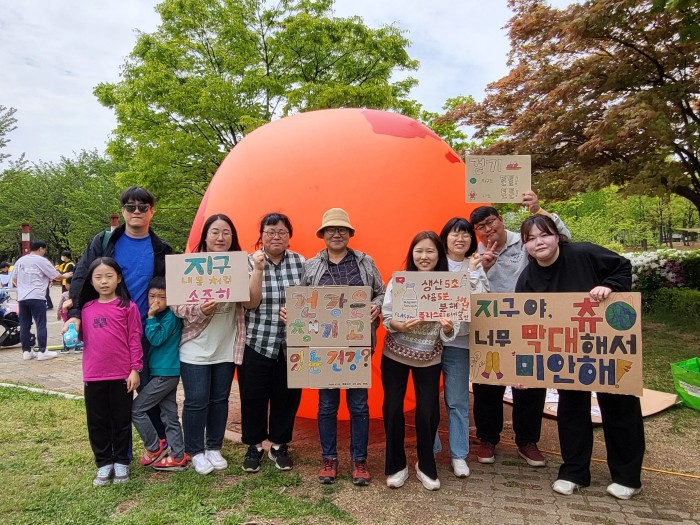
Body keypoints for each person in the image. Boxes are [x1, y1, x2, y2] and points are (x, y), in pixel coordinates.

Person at [516, 215, 645, 500]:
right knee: (571, 408)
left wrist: (610, 286)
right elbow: (524, 325)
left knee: (619, 405)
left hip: (607, 346)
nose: (539, 243)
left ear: (557, 236)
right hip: (567, 353)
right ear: (525, 246)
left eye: (544, 235)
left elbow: (622, 266)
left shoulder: (584, 253)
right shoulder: (527, 278)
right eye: (531, 239)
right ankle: (574, 471)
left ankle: (627, 477)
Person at [469, 191, 571, 467]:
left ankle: (527, 441)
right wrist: (483, 269)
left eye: (491, 222)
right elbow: (464, 289)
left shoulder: (524, 241)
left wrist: (539, 210)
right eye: (481, 227)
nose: (488, 230)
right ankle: (488, 438)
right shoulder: (474, 254)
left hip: (529, 322)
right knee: (487, 381)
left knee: (531, 382)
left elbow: (564, 241)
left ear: (501, 221)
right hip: (490, 324)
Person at [67, 186, 172, 446]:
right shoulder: (104, 242)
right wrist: (75, 312)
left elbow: (175, 287)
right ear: (123, 211)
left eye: (143, 207)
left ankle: (160, 441)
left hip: (148, 328)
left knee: (148, 388)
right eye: (130, 207)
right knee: (115, 393)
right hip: (111, 332)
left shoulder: (162, 249)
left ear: (152, 211)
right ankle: (117, 451)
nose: (136, 212)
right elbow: (82, 276)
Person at [172, 214, 264, 475]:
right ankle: (195, 450)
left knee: (220, 399)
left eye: (226, 232)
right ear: (205, 236)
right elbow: (177, 306)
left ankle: (213, 447)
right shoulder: (190, 264)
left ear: (232, 237)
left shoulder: (239, 266)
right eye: (215, 232)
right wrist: (200, 309)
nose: (221, 237)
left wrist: (257, 270)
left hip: (227, 346)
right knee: (196, 400)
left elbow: (251, 303)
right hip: (195, 346)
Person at [300, 208, 385, 486]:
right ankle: (329, 458)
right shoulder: (311, 266)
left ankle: (359, 460)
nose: (336, 234)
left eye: (342, 230)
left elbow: (382, 292)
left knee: (359, 405)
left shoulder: (364, 261)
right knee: (327, 405)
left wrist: (375, 306)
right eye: (331, 230)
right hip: (323, 345)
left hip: (357, 343)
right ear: (323, 235)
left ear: (349, 234)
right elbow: (301, 300)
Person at [382, 231, 456, 491]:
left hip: (429, 356)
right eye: (419, 251)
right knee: (392, 408)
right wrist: (397, 325)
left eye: (430, 251)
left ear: (439, 255)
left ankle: (426, 464)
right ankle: (395, 465)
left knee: (428, 411)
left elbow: (453, 328)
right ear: (412, 254)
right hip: (395, 354)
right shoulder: (399, 281)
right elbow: (387, 315)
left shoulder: (448, 285)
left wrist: (447, 327)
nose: (424, 257)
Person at [239, 213, 305, 473]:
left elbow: (312, 299)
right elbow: (249, 303)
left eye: (281, 232)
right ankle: (254, 446)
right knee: (253, 395)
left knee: (287, 396)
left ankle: (279, 444)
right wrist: (258, 269)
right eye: (270, 231)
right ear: (261, 235)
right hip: (257, 340)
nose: (276, 236)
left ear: (289, 236)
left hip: (292, 342)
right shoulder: (248, 262)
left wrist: (298, 314)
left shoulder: (301, 262)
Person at [433, 218, 489, 478]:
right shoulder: (434, 261)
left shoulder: (474, 264)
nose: (460, 239)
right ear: (445, 237)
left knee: (457, 401)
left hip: (459, 342)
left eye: (466, 234)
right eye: (455, 234)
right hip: (430, 341)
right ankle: (430, 449)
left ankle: (459, 455)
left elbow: (483, 302)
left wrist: (475, 272)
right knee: (428, 399)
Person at [78, 257, 142, 486]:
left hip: (121, 376)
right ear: (92, 281)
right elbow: (81, 338)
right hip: (94, 375)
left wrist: (135, 369)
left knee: (121, 420)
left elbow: (134, 339)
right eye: (98, 277)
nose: (104, 281)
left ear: (119, 278)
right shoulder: (86, 309)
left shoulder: (128, 307)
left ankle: (122, 462)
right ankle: (104, 463)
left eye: (109, 276)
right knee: (97, 421)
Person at [132, 276, 188, 472]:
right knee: (169, 416)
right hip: (164, 372)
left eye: (162, 297)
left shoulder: (171, 316)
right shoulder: (165, 315)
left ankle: (155, 447)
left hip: (165, 374)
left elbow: (155, 339)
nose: (155, 301)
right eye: (151, 296)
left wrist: (150, 317)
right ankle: (179, 455)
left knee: (136, 409)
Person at [10, 240, 72, 361]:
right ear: (40, 249)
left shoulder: (20, 260)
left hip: (22, 297)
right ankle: (43, 351)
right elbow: (56, 276)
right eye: (44, 250)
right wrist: (66, 276)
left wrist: (23, 287)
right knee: (41, 324)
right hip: (37, 296)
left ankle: (26, 352)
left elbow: (14, 279)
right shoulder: (42, 260)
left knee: (24, 325)